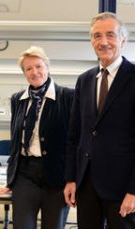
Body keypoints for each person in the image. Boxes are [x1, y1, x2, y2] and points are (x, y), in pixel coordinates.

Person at [63, 12, 135, 228]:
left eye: (110, 35)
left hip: (122, 189)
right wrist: (71, 178)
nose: (103, 42)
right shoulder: (84, 80)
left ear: (123, 40)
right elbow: (75, 135)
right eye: (97, 36)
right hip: (87, 185)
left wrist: (134, 190)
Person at [0, 46, 74, 229]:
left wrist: (72, 179)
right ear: (24, 73)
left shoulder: (67, 96)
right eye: (28, 68)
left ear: (47, 67)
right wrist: (11, 179)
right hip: (25, 175)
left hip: (56, 177)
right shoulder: (18, 99)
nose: (34, 72)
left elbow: (73, 142)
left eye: (38, 66)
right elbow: (16, 142)